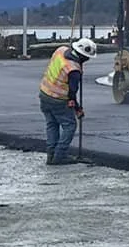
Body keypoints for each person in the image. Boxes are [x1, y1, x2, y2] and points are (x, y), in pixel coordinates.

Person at [39, 37, 97, 165]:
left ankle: (51, 154)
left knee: (52, 124)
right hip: (58, 99)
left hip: (44, 93)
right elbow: (72, 94)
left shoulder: (60, 50)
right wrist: (78, 109)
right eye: (87, 58)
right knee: (70, 126)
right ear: (82, 56)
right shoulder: (74, 70)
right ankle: (60, 156)